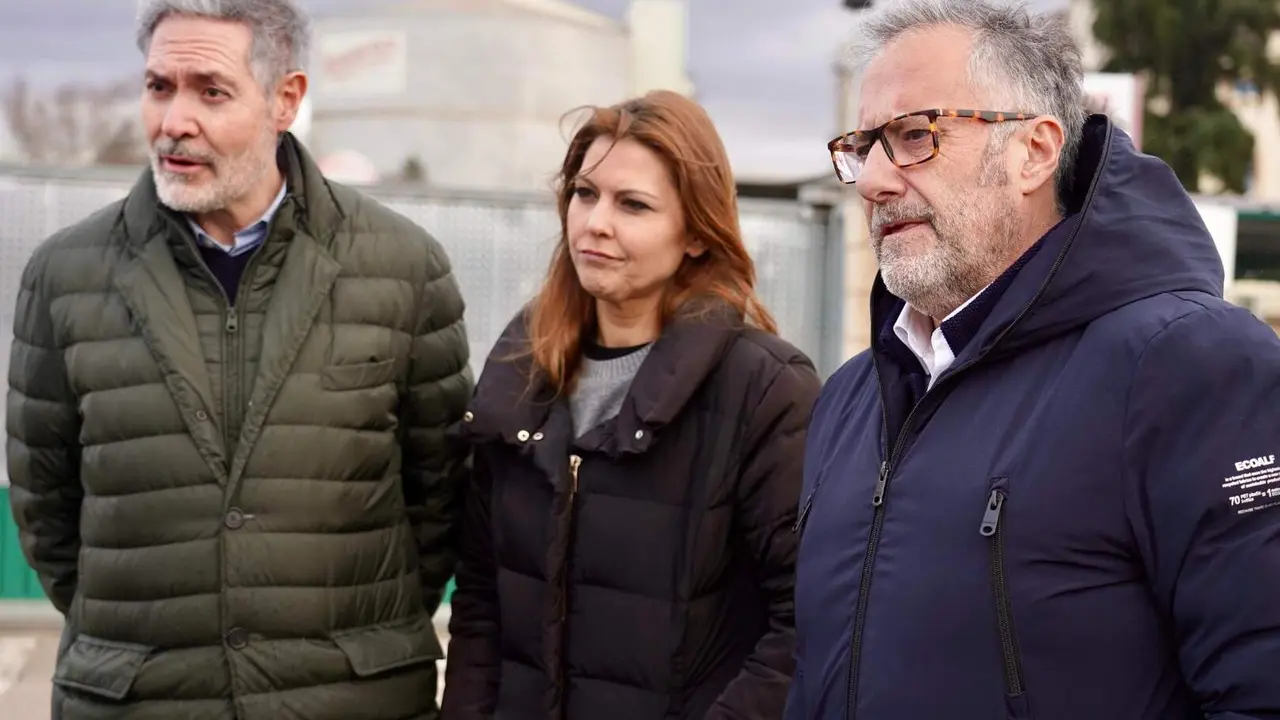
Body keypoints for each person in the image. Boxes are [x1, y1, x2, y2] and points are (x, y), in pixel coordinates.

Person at [786, 1, 1280, 718]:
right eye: (863, 146)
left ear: (1035, 151)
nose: (873, 181)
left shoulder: (1190, 365)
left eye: (915, 135)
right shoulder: (851, 397)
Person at [5, 0, 472, 717]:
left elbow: (438, 499)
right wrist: (145, 643)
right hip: (141, 700)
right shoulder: (66, 276)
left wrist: (347, 646)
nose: (174, 121)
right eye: (160, 86)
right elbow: (46, 503)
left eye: (210, 91)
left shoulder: (402, 268)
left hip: (350, 701)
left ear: (286, 99)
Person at [440, 89, 820, 719]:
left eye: (633, 205)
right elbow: (482, 600)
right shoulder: (522, 369)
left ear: (697, 234)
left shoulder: (765, 388)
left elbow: (803, 624)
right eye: (584, 194)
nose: (595, 223)